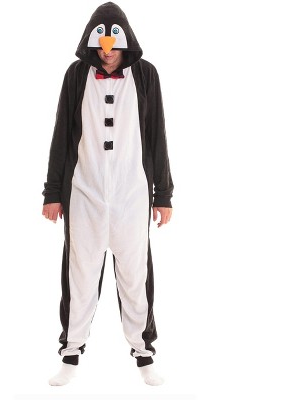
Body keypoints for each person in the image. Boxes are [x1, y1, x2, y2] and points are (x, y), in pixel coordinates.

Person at [41, 1, 174, 386]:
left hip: (133, 194)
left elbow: (157, 134)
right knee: (80, 274)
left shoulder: (146, 75)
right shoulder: (76, 75)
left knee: (135, 275)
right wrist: (52, 192)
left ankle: (144, 353)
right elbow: (61, 134)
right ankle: (71, 352)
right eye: (100, 42)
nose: (107, 50)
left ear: (126, 40)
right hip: (84, 192)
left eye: (114, 42)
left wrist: (163, 194)